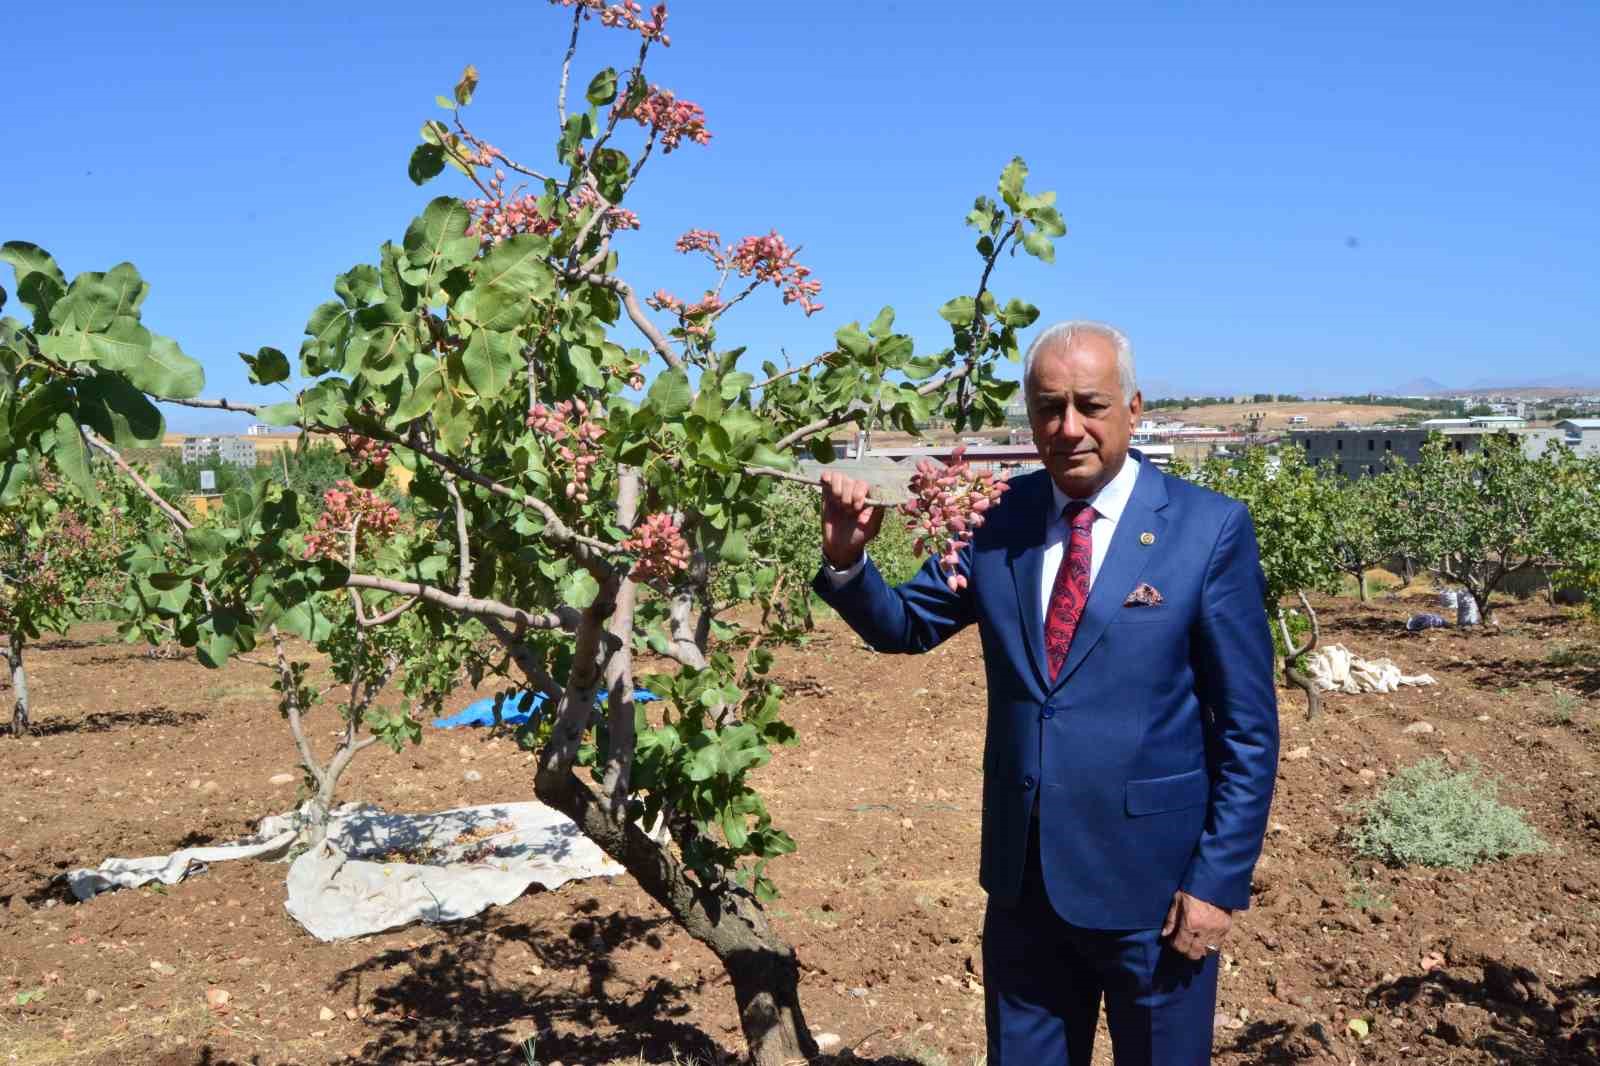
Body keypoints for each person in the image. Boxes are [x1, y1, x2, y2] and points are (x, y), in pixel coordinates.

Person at [814, 321, 1279, 1066]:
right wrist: (847, 561)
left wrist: (1218, 882)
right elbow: (906, 624)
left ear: (1134, 406)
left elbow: (1248, 729)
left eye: (1090, 406)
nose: (1068, 429)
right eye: (1047, 409)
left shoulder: (1207, 529)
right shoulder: (998, 518)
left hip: (1156, 895)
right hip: (1026, 886)